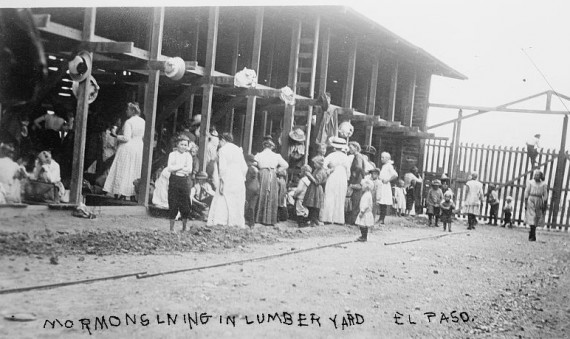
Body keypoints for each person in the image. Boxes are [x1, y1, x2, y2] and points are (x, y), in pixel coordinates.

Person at [103, 102, 145, 201]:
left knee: (124, 169)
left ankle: (121, 191)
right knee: (135, 168)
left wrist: (115, 135)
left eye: (128, 110)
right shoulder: (143, 121)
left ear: (133, 111)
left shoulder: (129, 122)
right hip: (139, 146)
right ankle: (133, 192)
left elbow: (126, 138)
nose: (126, 111)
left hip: (128, 147)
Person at [207, 133, 248, 228]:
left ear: (223, 140)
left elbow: (222, 168)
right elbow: (244, 167)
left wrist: (222, 180)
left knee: (223, 197)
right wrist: (242, 178)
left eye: (220, 142)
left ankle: (221, 220)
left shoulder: (223, 150)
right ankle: (236, 222)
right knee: (236, 199)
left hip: (228, 174)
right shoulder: (238, 149)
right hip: (238, 175)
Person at [254, 138, 288, 225]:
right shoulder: (276, 155)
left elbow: (253, 163)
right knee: (271, 195)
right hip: (272, 174)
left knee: (261, 193)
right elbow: (286, 165)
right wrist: (277, 170)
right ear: (272, 147)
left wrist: (258, 169)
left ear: (263, 146)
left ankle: (259, 218)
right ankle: (270, 219)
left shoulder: (259, 154)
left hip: (262, 174)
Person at [321, 137, 350, 225]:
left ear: (334, 147)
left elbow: (323, 166)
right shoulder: (346, 157)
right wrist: (347, 179)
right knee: (340, 197)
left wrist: (328, 170)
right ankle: (339, 219)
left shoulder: (331, 155)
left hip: (333, 175)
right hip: (342, 176)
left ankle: (328, 218)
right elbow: (348, 171)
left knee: (330, 195)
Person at [167, 136, 193, 232]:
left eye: (185, 145)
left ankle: (184, 227)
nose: (183, 147)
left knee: (185, 203)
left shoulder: (188, 156)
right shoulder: (172, 155)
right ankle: (171, 228)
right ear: (177, 144)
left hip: (184, 181)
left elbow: (189, 170)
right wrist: (182, 166)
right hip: (174, 180)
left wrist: (176, 168)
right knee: (173, 202)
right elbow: (170, 168)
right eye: (181, 144)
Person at [303, 156, 327, 227]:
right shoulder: (317, 170)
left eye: (315, 164)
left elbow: (317, 182)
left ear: (320, 164)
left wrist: (309, 176)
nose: (314, 165)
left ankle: (314, 220)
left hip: (316, 189)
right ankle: (312, 220)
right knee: (312, 205)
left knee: (314, 205)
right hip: (313, 188)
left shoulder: (321, 171)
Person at [524, 170, 548, 241]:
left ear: (541, 176)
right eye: (535, 175)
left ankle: (532, 232)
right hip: (531, 199)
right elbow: (527, 192)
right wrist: (526, 201)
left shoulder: (543, 184)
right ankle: (532, 234)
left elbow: (545, 194)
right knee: (532, 216)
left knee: (536, 217)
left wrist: (545, 203)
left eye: (538, 175)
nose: (536, 176)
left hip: (539, 200)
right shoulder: (530, 182)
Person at [376, 152, 398, 225]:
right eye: (381, 157)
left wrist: (388, 180)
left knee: (383, 202)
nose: (381, 159)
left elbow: (395, 174)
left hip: (385, 185)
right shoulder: (384, 166)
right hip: (382, 184)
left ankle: (382, 219)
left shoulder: (389, 165)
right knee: (381, 202)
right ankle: (380, 219)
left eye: (383, 157)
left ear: (388, 159)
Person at [347, 141, 366, 225]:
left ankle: (354, 221)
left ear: (356, 148)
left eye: (351, 148)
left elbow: (359, 167)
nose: (350, 149)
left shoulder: (358, 156)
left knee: (356, 199)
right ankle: (354, 220)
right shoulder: (357, 156)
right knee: (355, 199)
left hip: (357, 180)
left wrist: (355, 175)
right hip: (358, 179)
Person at [244, 154, 260, 228]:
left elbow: (246, 180)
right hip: (256, 189)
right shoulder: (255, 169)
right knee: (252, 206)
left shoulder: (247, 169)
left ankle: (246, 220)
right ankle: (251, 223)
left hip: (249, 189)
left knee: (247, 205)